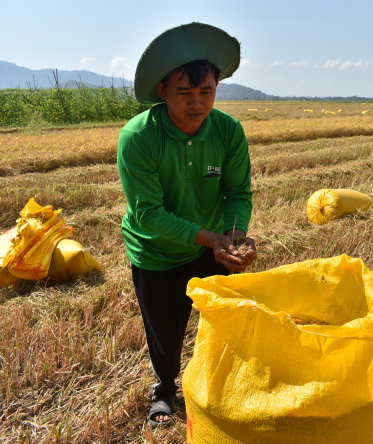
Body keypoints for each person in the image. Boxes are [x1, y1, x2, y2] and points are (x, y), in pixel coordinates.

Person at [116, 22, 257, 426]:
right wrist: (209, 237)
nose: (197, 103)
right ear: (162, 91)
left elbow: (238, 193)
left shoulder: (228, 131)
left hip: (211, 244)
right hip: (156, 251)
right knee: (165, 331)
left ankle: (223, 381)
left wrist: (234, 236)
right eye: (185, 93)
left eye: (206, 92)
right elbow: (147, 213)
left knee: (226, 318)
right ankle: (163, 390)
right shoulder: (139, 137)